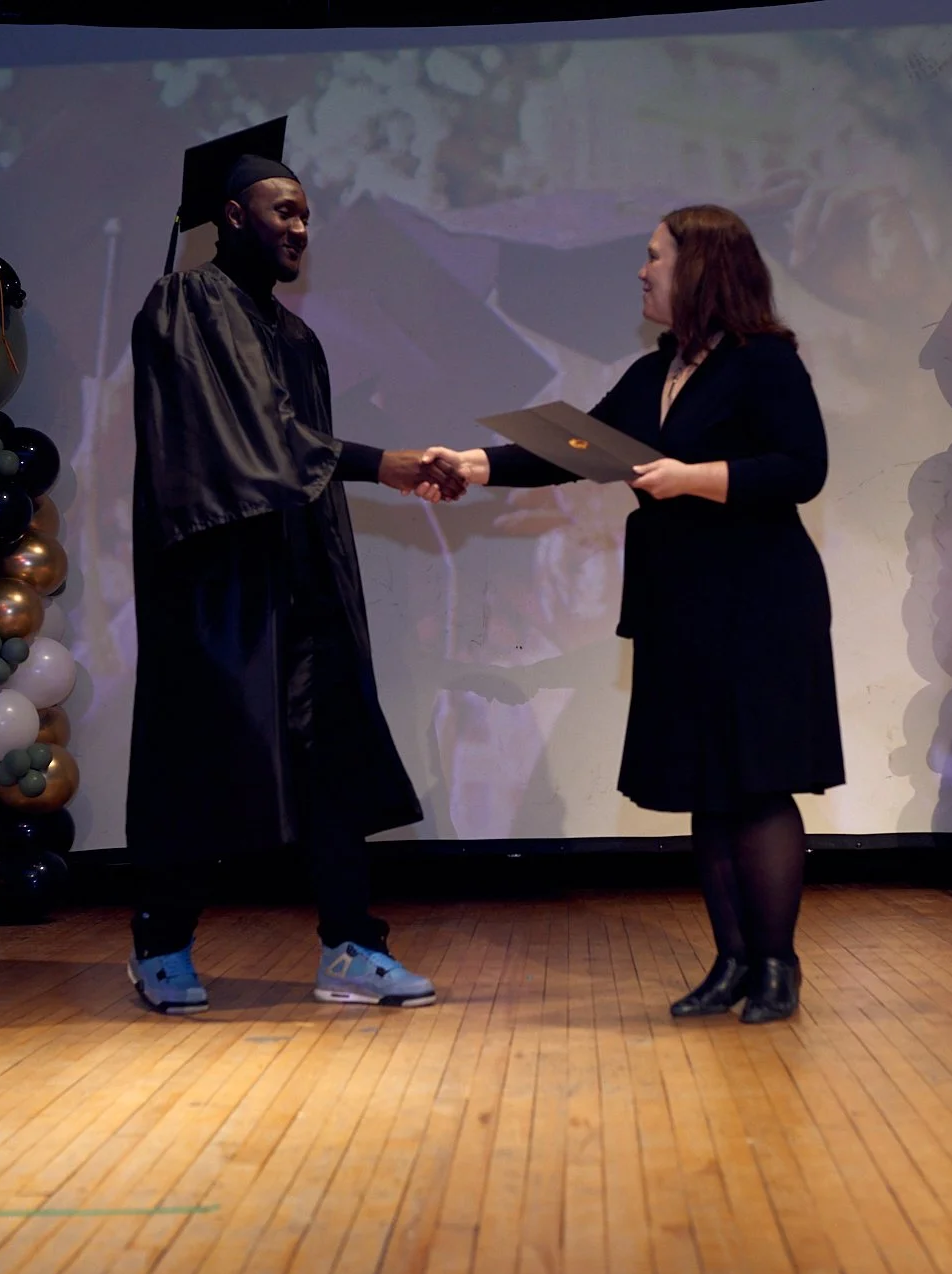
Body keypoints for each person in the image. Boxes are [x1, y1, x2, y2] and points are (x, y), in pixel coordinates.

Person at [427, 205, 844, 1024]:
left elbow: (803, 468)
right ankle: (729, 963)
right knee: (706, 786)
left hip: (759, 602)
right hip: (679, 604)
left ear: (701, 268)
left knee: (757, 786)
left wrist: (691, 477)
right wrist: (472, 463)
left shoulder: (765, 363)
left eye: (654, 257)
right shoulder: (659, 369)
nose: (642, 272)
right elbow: (575, 445)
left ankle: (777, 970)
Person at [125, 121, 462, 1014]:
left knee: (330, 762)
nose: (301, 227)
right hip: (220, 586)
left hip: (298, 578)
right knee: (208, 760)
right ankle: (160, 944)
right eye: (284, 210)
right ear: (232, 215)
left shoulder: (297, 338)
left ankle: (350, 944)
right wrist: (381, 460)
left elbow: (294, 454)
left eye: (308, 213)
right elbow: (251, 445)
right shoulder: (185, 304)